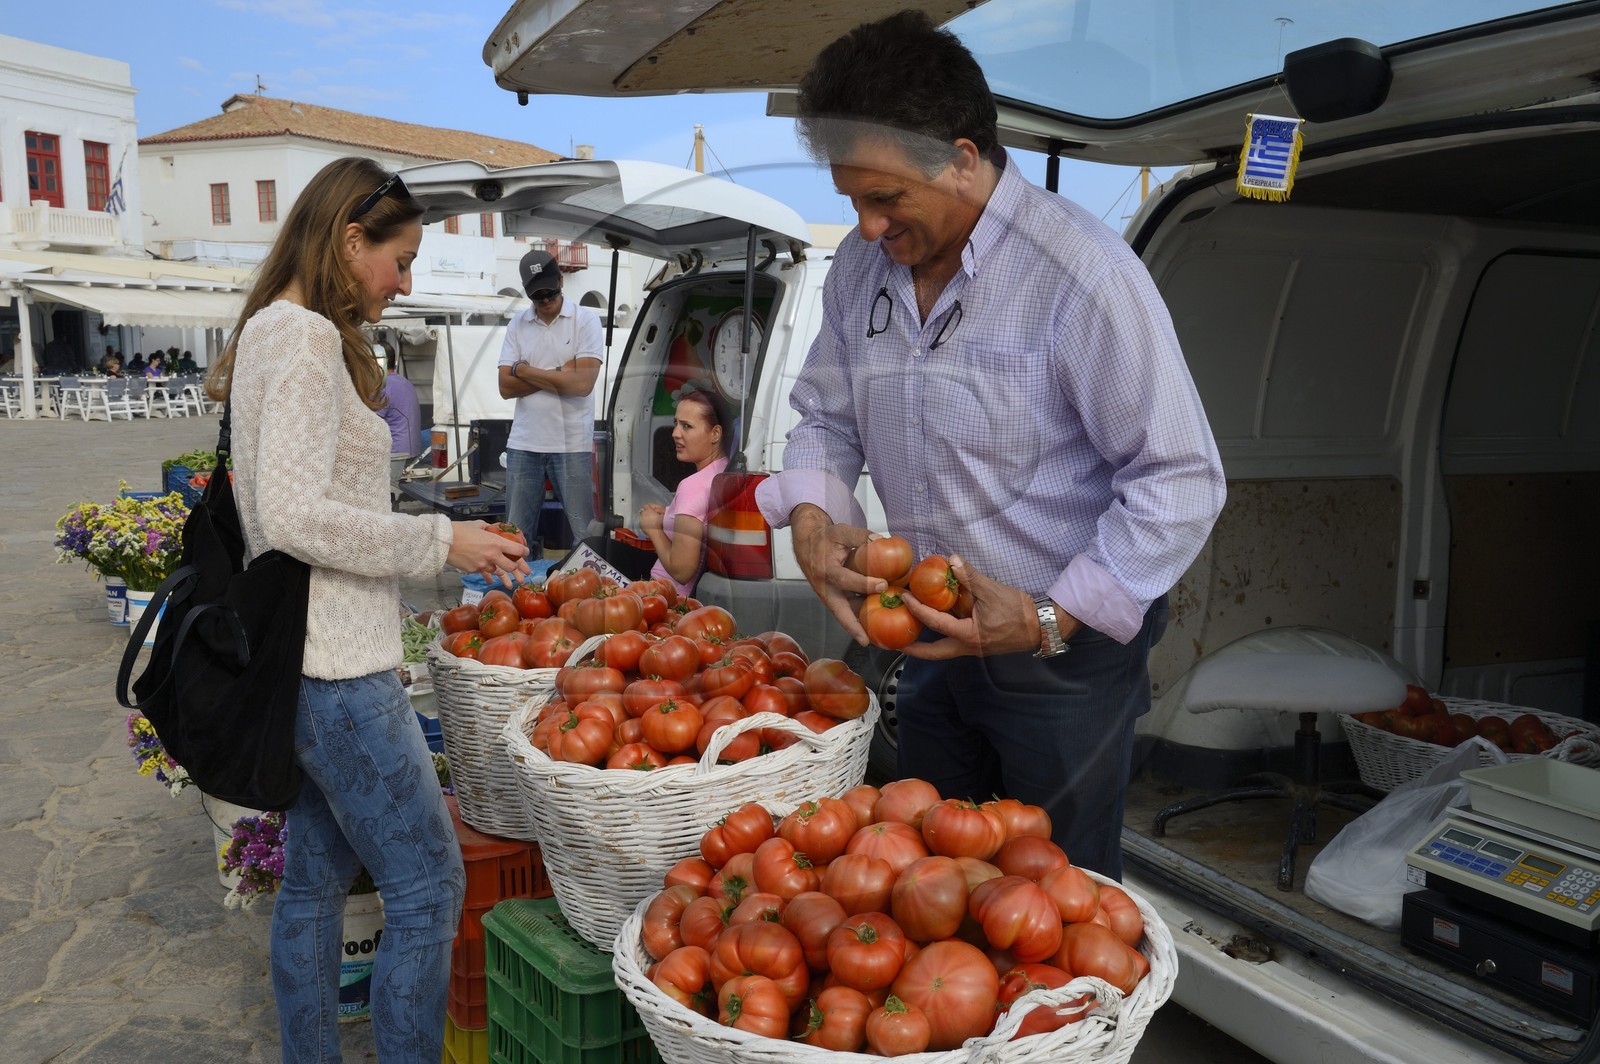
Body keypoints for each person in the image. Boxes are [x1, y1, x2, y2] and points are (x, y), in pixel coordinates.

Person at [752, 11, 1227, 879]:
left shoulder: (1082, 273)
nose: (865, 229)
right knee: (931, 882)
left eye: (886, 200)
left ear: (964, 160)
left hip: (1064, 655)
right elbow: (825, 413)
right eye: (851, 201)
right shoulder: (863, 272)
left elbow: (1179, 478)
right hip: (930, 630)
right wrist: (815, 518)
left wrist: (1049, 616)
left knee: (1054, 901)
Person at [203, 156, 530, 1062]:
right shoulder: (304, 340)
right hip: (337, 669)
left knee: (312, 883)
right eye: (401, 257)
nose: (405, 280)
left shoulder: (276, 329)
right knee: (428, 887)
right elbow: (299, 516)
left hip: (301, 661)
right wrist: (440, 543)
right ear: (352, 241)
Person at [498, 249, 604, 547]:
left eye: (550, 293)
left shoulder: (585, 320)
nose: (545, 301)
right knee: (514, 539)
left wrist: (525, 370)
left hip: (572, 445)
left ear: (560, 281)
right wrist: (560, 373)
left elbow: (583, 384)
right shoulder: (518, 324)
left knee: (584, 536)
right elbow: (505, 387)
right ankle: (518, 594)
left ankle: (585, 593)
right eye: (537, 296)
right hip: (523, 444)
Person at [638, 382, 731, 596]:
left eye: (686, 426)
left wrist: (653, 528)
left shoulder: (692, 486)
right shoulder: (724, 471)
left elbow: (682, 570)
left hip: (665, 596)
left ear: (715, 434)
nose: (675, 433)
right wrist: (671, 513)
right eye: (675, 423)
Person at [377, 343, 423, 456]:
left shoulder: (383, 387)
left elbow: (369, 425)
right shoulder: (406, 382)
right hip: (414, 451)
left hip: (396, 454)